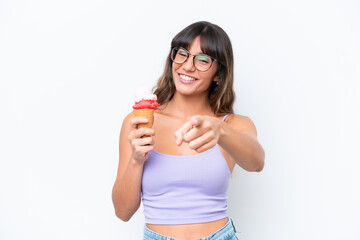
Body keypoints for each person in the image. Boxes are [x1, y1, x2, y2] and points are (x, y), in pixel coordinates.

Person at [112, 21, 265, 240]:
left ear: (218, 75)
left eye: (203, 60)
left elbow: (257, 162)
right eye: (182, 54)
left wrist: (220, 131)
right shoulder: (137, 123)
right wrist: (137, 159)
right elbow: (122, 212)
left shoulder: (232, 125)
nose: (187, 66)